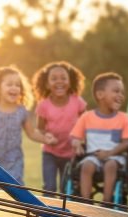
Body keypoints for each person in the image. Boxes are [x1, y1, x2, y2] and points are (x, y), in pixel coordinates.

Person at [0, 66, 57, 185]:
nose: (14, 88)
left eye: (17, 85)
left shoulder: (21, 111)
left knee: (15, 192)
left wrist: (45, 139)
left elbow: (32, 133)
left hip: (15, 161)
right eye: (9, 84)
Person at [70, 73, 128, 203]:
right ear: (100, 95)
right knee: (87, 166)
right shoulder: (87, 117)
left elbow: (126, 143)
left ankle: (106, 202)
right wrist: (77, 144)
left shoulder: (123, 118)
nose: (121, 95)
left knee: (110, 165)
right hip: (93, 156)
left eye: (122, 92)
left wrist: (109, 153)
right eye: (116, 91)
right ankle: (87, 203)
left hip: (115, 156)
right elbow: (75, 137)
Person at [32, 61, 86, 195]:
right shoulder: (43, 105)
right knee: (49, 187)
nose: (59, 82)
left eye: (63, 78)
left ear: (70, 81)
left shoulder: (77, 101)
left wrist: (80, 139)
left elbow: (86, 124)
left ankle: (65, 215)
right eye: (54, 79)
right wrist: (46, 137)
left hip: (71, 154)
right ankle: (46, 214)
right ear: (46, 83)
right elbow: (40, 129)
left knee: (66, 189)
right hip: (50, 153)